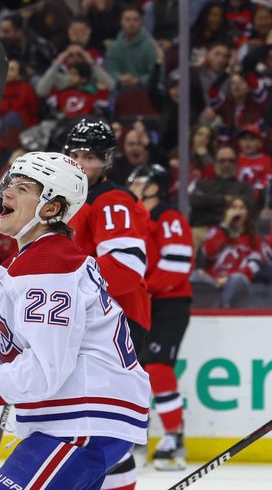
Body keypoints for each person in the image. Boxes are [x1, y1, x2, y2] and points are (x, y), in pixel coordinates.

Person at [0, 151, 150, 489]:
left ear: (52, 208)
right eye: (10, 184)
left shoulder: (47, 263)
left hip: (81, 419)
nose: (8, 192)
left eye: (24, 188)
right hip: (78, 418)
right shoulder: (37, 259)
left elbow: (46, 369)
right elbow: (27, 347)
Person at [63, 117, 151, 490]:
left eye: (92, 157)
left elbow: (127, 269)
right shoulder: (67, 201)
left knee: (100, 430)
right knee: (88, 428)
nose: (83, 164)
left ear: (108, 160)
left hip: (117, 326)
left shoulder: (113, 200)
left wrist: (67, 296)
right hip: (90, 324)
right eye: (76, 155)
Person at [128, 164, 194, 471]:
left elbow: (178, 264)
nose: (134, 184)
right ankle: (135, 436)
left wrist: (145, 289)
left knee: (158, 367)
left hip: (169, 304)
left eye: (140, 180)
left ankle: (172, 438)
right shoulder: (137, 218)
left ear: (155, 186)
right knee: (135, 371)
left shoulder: (168, 218)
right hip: (146, 302)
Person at [192, 195, 265, 308]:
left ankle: (224, 309)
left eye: (241, 208)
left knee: (237, 279)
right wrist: (225, 225)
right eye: (233, 208)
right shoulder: (217, 231)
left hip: (238, 281)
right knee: (194, 276)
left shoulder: (255, 239)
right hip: (214, 281)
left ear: (248, 213)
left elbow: (253, 266)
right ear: (227, 212)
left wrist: (227, 279)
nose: (237, 211)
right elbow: (208, 252)